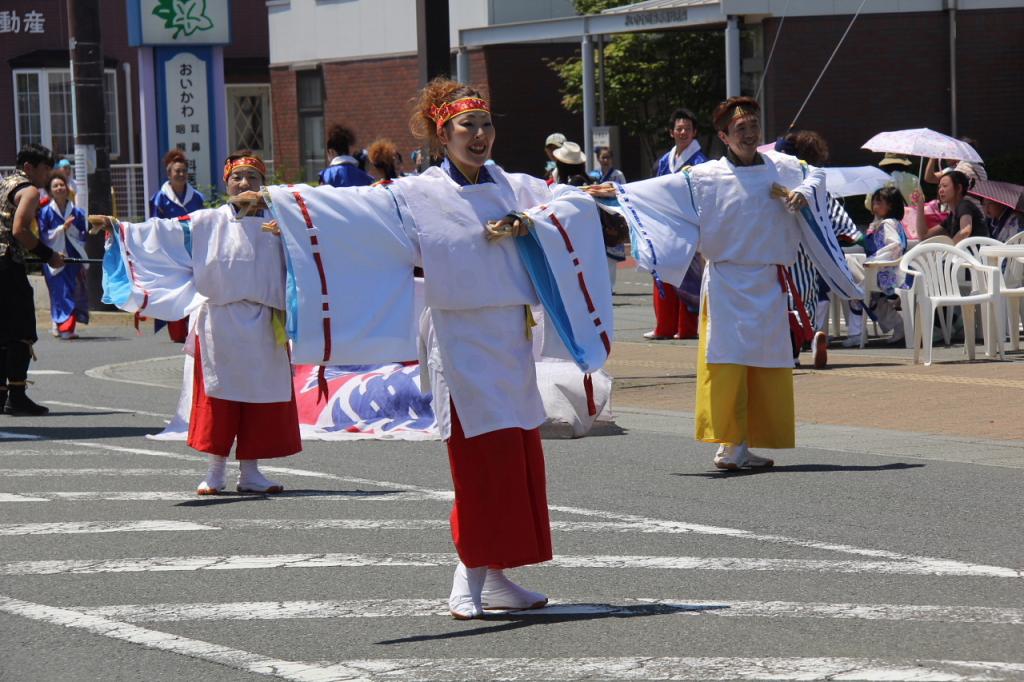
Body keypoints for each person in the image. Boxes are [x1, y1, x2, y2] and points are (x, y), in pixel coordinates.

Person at [231, 78, 614, 619]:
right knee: (478, 461)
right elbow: (352, 210)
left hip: (508, 336)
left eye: (485, 125)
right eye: (467, 127)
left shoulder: (511, 184)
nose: (479, 136)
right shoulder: (417, 191)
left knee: (515, 457)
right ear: (444, 134)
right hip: (458, 341)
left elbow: (566, 206)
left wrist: (529, 223)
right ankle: (468, 571)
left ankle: (498, 575)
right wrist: (274, 197)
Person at [588, 96, 858, 470]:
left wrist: (803, 193)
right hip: (727, 282)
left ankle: (743, 443)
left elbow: (815, 174)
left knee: (763, 364)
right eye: (740, 129)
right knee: (727, 362)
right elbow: (657, 190)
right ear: (724, 136)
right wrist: (616, 192)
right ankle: (730, 443)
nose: (749, 134)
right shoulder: (706, 176)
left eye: (753, 126)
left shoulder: (780, 168)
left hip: (768, 280)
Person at [96, 151, 300, 495]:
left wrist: (292, 238)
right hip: (220, 318)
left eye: (252, 177)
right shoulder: (207, 221)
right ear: (227, 182)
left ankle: (251, 472)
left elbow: (314, 249)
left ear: (264, 183)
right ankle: (215, 471)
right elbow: (163, 233)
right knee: (220, 398)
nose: (245, 183)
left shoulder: (282, 223)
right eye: (238, 177)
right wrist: (120, 228)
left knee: (260, 398)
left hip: (266, 319)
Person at [778, 130, 862, 368]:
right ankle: (813, 336)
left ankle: (792, 352)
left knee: (784, 302)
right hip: (808, 249)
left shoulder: (771, 183)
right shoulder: (815, 185)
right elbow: (842, 224)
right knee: (807, 297)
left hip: (780, 248)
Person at [0, 143, 63, 416]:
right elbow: (20, 229)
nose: (47, 175)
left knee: (2, 332)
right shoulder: (28, 190)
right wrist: (47, 254)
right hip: (6, 264)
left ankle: (2, 394)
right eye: (45, 169)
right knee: (22, 330)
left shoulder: (4, 184)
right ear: (28, 168)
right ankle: (16, 394)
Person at [646, 108, 709, 341]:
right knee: (662, 274)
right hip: (664, 227)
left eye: (687, 129)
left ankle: (686, 327)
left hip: (690, 227)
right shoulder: (663, 161)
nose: (683, 132)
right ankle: (664, 325)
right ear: (672, 132)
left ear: (695, 133)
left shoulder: (701, 163)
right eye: (679, 128)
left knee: (689, 277)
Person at [149, 150, 205, 343]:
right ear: (169, 174)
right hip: (170, 253)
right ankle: (177, 330)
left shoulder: (197, 197)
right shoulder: (160, 198)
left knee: (193, 289)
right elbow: (155, 225)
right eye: (176, 171)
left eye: (183, 171)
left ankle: (192, 328)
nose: (180, 174)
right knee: (174, 291)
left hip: (192, 252)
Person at [843, 186, 908, 347]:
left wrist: (875, 259)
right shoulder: (889, 223)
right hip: (886, 271)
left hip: (885, 273)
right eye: (875, 201)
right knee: (870, 298)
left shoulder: (887, 224)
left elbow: (894, 245)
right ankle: (899, 326)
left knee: (857, 294)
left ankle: (857, 334)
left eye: (880, 201)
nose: (875, 204)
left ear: (890, 206)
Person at [39, 172, 89, 340]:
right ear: (50, 191)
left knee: (72, 290)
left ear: (67, 188)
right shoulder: (45, 212)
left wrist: (70, 229)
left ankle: (64, 325)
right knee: (59, 291)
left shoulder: (77, 212)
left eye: (62, 185)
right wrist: (62, 229)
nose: (59, 188)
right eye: (55, 186)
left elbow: (83, 234)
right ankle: (64, 326)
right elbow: (44, 236)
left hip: (72, 256)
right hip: (54, 256)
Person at [917, 170, 988, 243]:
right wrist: (920, 204)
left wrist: (949, 250)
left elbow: (966, 230)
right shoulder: (952, 217)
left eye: (945, 186)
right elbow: (924, 237)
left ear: (959, 188)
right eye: (939, 187)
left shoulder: (965, 205)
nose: (940, 190)